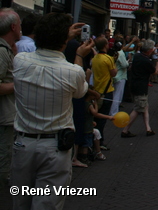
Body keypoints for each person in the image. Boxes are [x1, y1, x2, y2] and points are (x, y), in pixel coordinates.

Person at [11, 13, 93, 209]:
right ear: (64, 41)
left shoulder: (20, 61)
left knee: (20, 202)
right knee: (48, 203)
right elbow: (80, 91)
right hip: (55, 148)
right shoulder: (72, 71)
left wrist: (63, 37)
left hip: (23, 144)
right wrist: (79, 56)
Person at [0, 8, 20, 189]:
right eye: (19, 26)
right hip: (3, 118)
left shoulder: (7, 50)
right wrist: (20, 84)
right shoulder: (0, 51)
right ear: (13, 27)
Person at [121, 39, 157, 137]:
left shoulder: (137, 56)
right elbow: (155, 72)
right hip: (141, 87)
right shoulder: (146, 61)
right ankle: (125, 130)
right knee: (138, 108)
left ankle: (148, 129)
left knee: (145, 106)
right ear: (149, 50)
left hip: (135, 84)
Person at [91, 36, 116, 149]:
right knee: (102, 119)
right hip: (107, 91)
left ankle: (93, 140)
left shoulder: (95, 58)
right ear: (106, 45)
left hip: (96, 90)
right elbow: (113, 73)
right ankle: (100, 141)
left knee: (95, 117)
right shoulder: (108, 58)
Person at [109, 40, 128, 116]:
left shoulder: (113, 52)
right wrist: (127, 62)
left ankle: (111, 111)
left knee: (113, 95)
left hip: (114, 76)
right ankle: (114, 112)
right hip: (120, 76)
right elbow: (124, 65)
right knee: (117, 96)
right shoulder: (121, 53)